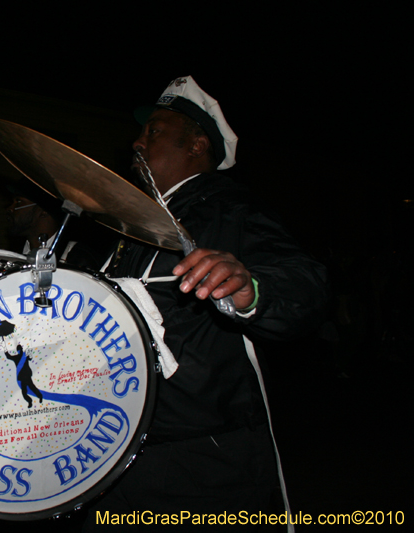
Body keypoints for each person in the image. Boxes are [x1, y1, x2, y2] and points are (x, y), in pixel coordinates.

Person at [84, 77, 329, 529]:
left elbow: (307, 285)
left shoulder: (228, 208)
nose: (137, 141)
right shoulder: (130, 224)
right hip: (120, 456)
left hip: (205, 464)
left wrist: (251, 288)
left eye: (154, 131)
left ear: (196, 145)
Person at [5, 180, 103, 270]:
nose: (10, 208)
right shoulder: (13, 255)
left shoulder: (77, 257)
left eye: (18, 202)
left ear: (43, 211)